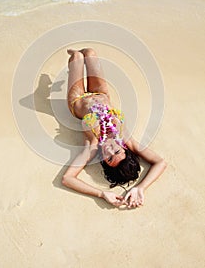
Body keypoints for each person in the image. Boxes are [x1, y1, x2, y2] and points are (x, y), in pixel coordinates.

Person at [62, 48, 167, 208]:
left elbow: (67, 179)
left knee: (77, 57)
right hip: (101, 93)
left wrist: (101, 193)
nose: (110, 150)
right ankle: (79, 58)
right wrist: (141, 188)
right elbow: (160, 162)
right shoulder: (127, 140)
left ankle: (72, 61)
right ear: (124, 149)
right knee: (90, 53)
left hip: (78, 99)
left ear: (104, 161)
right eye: (117, 152)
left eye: (109, 158)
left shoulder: (92, 146)